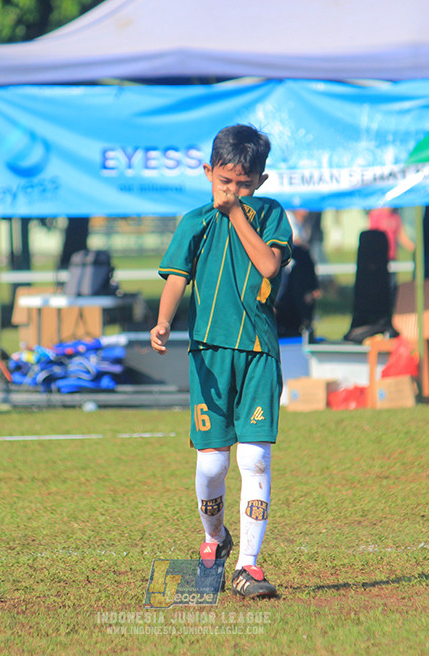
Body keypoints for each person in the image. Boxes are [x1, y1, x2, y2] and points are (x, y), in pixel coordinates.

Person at [150, 124, 291, 599]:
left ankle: (248, 567)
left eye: (244, 184)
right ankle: (215, 539)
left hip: (257, 352)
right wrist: (164, 322)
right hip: (209, 355)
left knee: (254, 457)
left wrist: (237, 213)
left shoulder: (270, 215)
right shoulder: (194, 222)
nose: (232, 191)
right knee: (211, 466)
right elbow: (175, 278)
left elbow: (269, 266)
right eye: (224, 181)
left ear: (261, 182)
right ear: (209, 172)